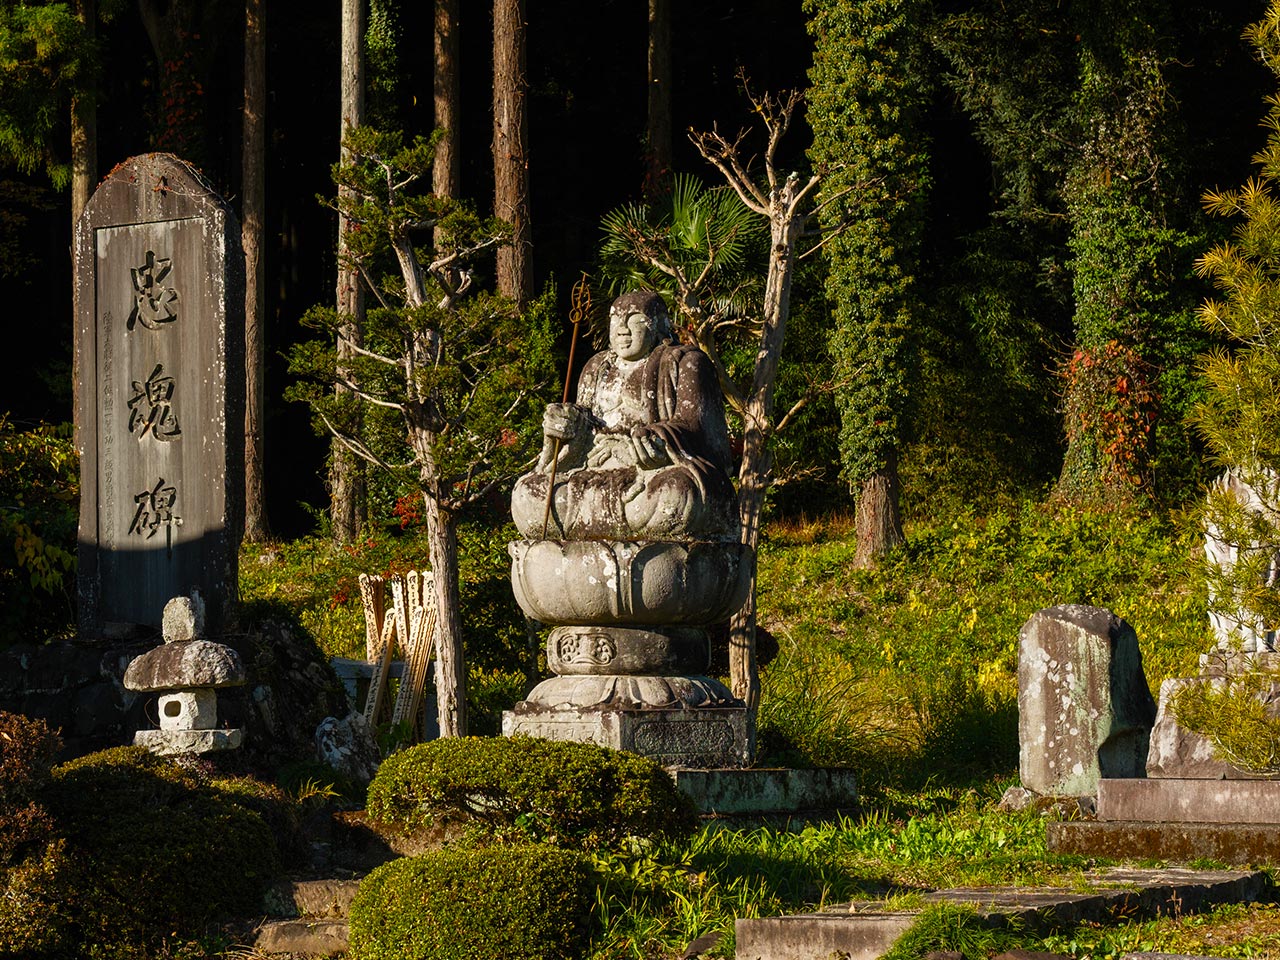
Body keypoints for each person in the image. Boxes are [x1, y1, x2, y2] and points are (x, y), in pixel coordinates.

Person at [511, 291, 738, 541]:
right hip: (593, 472)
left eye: (634, 320)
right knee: (527, 493)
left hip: (649, 475)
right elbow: (582, 432)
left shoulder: (686, 361)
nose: (622, 329)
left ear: (660, 325)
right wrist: (563, 430)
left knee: (676, 493)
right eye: (616, 320)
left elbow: (695, 428)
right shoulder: (595, 368)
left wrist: (653, 441)